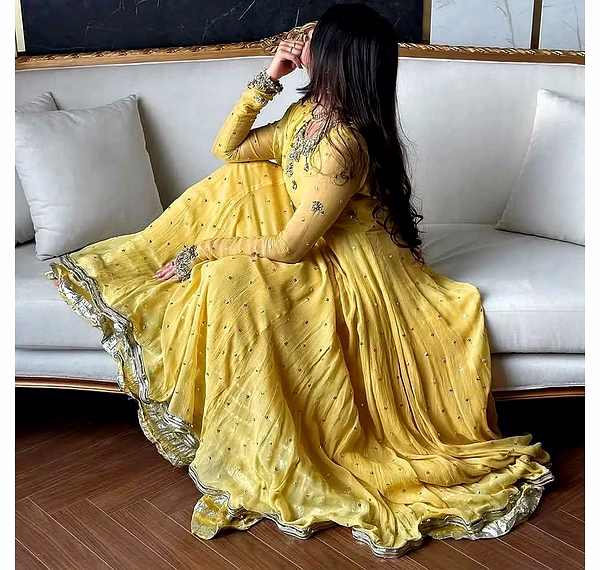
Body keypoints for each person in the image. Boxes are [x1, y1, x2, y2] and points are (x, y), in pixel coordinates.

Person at [48, 3, 552, 559]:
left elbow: (291, 248)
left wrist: (203, 251)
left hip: (354, 266)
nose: (300, 42)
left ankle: (264, 435)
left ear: (336, 56)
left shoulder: (342, 146)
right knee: (237, 182)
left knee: (229, 277)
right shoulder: (307, 113)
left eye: (314, 38)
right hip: (311, 242)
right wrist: (269, 79)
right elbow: (228, 150)